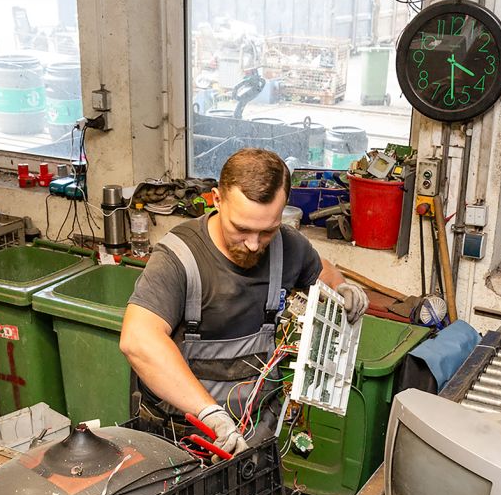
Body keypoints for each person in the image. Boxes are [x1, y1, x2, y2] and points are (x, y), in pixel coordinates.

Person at [120, 148, 367, 456]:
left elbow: (321, 270)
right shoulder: (178, 258)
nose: (253, 244)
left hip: (254, 432)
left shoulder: (288, 248)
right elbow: (138, 340)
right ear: (217, 199)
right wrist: (209, 413)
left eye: (267, 231)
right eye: (241, 229)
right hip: (183, 437)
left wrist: (343, 287)